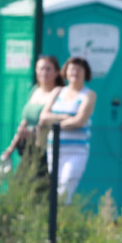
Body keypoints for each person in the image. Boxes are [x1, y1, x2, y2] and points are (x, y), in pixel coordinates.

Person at [39, 56, 96, 205]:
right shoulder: (58, 91)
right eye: (72, 69)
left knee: (65, 188)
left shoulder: (88, 95)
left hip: (76, 150)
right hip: (54, 149)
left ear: (85, 73)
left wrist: (56, 122)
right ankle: (55, 221)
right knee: (54, 189)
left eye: (79, 69)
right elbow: (44, 116)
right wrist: (64, 117)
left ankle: (61, 220)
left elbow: (79, 120)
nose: (75, 73)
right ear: (66, 71)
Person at [0, 55, 65, 183]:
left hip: (46, 146)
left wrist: (33, 132)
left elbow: (49, 120)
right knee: (21, 182)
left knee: (40, 184)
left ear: (57, 72)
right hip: (28, 147)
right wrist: (10, 148)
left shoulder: (58, 92)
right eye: (41, 69)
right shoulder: (35, 90)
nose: (44, 73)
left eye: (48, 69)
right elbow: (25, 121)